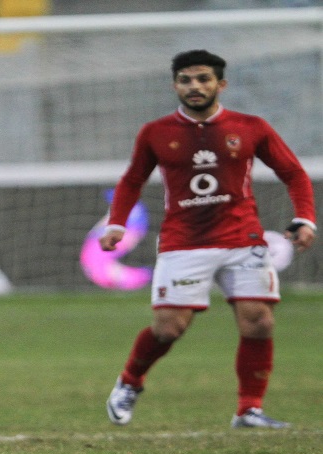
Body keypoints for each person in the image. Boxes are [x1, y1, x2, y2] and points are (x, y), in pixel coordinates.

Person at [101, 50, 316, 429]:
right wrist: (116, 222)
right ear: (175, 85)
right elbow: (132, 179)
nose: (194, 86)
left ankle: (248, 409)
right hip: (185, 241)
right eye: (185, 80)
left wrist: (305, 218)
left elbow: (294, 173)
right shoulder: (156, 132)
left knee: (259, 322)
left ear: (221, 84)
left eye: (203, 79)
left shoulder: (251, 126)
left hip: (242, 237)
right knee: (168, 328)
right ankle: (129, 383)